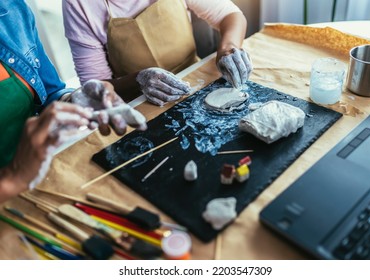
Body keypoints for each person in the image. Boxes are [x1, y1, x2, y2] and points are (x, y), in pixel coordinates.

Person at [0, 0, 146, 203]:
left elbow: (51, 93)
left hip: (45, 173)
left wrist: (74, 100)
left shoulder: (13, 9)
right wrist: (12, 177)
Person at [63, 0, 253, 106]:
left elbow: (229, 15)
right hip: (139, 102)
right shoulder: (79, 4)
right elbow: (94, 87)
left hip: (197, 82)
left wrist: (228, 47)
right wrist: (139, 81)